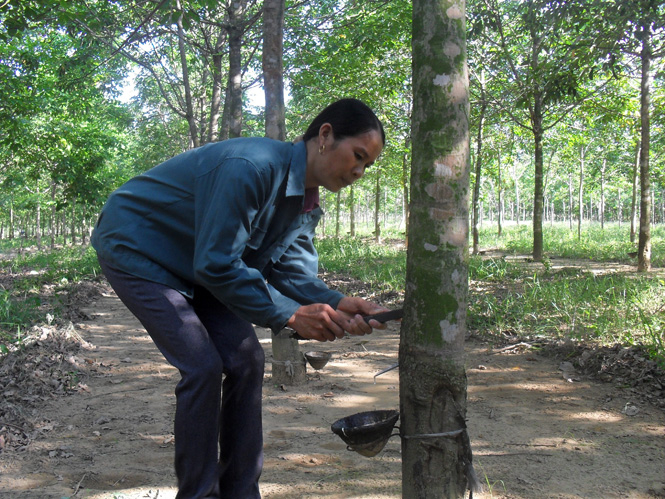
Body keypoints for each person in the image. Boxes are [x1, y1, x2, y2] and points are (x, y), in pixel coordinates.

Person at [91, 98, 388, 498]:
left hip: (198, 263)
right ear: (325, 136)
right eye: (357, 156)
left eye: (367, 166)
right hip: (139, 249)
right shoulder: (250, 167)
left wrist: (336, 302)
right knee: (201, 366)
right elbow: (216, 264)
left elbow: (288, 271)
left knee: (247, 360)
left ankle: (241, 491)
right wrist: (291, 315)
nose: (359, 172)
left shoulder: (307, 204)